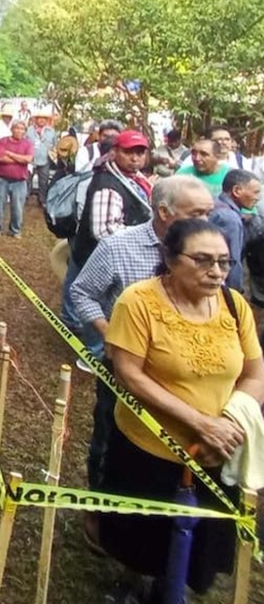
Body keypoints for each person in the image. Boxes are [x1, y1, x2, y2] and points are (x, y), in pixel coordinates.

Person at [99, 218, 264, 602]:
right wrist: (198, 423)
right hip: (151, 447)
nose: (217, 271)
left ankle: (175, 586)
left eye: (224, 262)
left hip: (219, 447)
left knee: (202, 537)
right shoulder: (139, 302)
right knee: (141, 533)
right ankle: (134, 581)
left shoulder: (233, 304)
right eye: (203, 260)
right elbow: (129, 375)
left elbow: (256, 372)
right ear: (171, 260)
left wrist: (226, 423)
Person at [69, 175, 213, 514]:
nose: (205, 222)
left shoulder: (210, 252)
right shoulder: (118, 246)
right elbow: (82, 291)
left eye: (209, 213)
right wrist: (110, 332)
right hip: (126, 369)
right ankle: (100, 513)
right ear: (164, 212)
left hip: (186, 372)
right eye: (197, 213)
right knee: (109, 435)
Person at [71, 129, 153, 272]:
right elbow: (104, 231)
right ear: (114, 152)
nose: (134, 158)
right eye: (128, 152)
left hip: (114, 260)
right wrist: (146, 234)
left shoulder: (136, 178)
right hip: (97, 264)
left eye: (140, 153)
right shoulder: (107, 184)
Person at [208, 168, 261, 293]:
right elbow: (232, 261)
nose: (258, 198)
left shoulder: (216, 204)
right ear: (236, 191)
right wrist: (235, 293)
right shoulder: (230, 219)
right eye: (255, 192)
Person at [0, 120, 33, 238]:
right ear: (12, 129)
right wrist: (20, 160)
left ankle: (15, 230)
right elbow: (0, 158)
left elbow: (28, 159)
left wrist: (11, 154)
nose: (19, 131)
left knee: (17, 207)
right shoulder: (2, 141)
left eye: (22, 128)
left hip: (20, 181)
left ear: (25, 131)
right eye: (17, 128)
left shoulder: (28, 144)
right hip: (2, 178)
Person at [26, 109, 57, 206]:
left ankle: (42, 200)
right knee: (27, 180)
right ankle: (25, 198)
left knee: (43, 181)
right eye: (40, 118)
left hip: (44, 160)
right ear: (36, 119)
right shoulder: (29, 130)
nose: (42, 120)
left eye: (44, 118)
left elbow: (54, 146)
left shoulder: (51, 131)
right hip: (30, 160)